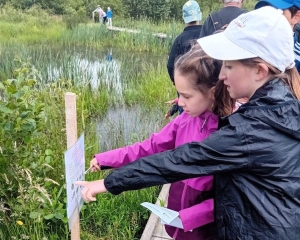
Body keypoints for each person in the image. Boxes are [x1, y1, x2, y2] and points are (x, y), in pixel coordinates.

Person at [76, 7, 300, 239]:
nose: (222, 75)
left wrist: (111, 183)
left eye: (229, 66)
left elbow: (180, 160)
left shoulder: (251, 130)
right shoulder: (276, 111)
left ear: (260, 71)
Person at [86, 45, 234, 240]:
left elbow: (230, 197)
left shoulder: (229, 134)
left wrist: (189, 217)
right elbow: (151, 146)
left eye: (187, 96)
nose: (179, 102)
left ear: (213, 92)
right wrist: (106, 159)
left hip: (206, 230)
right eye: (178, 94)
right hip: (177, 222)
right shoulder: (185, 120)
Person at [166, 0, 203, 116]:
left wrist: (177, 82)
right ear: (199, 15)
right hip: (205, 86)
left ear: (184, 17)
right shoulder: (207, 34)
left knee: (184, 118)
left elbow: (170, 65)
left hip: (185, 86)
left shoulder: (179, 39)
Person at [255, 0, 300, 73]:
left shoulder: (297, 58)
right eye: (267, 10)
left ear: (296, 17)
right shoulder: (252, 43)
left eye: (279, 12)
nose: (269, 17)